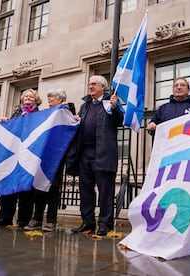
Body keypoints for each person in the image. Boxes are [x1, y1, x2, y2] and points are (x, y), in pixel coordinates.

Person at [68, 75, 124, 236]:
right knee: (85, 190)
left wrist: (115, 108)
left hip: (103, 153)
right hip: (85, 152)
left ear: (102, 87)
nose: (90, 86)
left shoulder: (110, 102)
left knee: (105, 190)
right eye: (89, 84)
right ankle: (88, 222)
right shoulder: (84, 106)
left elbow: (120, 121)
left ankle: (105, 224)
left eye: (94, 84)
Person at [24, 89, 73, 232]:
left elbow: (72, 119)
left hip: (57, 156)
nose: (49, 99)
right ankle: (37, 219)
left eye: (52, 97)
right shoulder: (45, 113)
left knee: (53, 188)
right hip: (42, 156)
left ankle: (51, 221)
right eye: (48, 97)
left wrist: (67, 108)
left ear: (60, 99)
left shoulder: (65, 111)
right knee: (39, 187)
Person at [0, 88, 42, 228]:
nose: (28, 98)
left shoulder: (39, 115)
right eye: (26, 96)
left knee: (26, 189)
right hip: (13, 156)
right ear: (22, 99)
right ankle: (5, 217)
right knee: (9, 187)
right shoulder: (16, 113)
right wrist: (6, 121)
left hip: (29, 156)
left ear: (36, 100)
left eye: (31, 97)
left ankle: (23, 219)